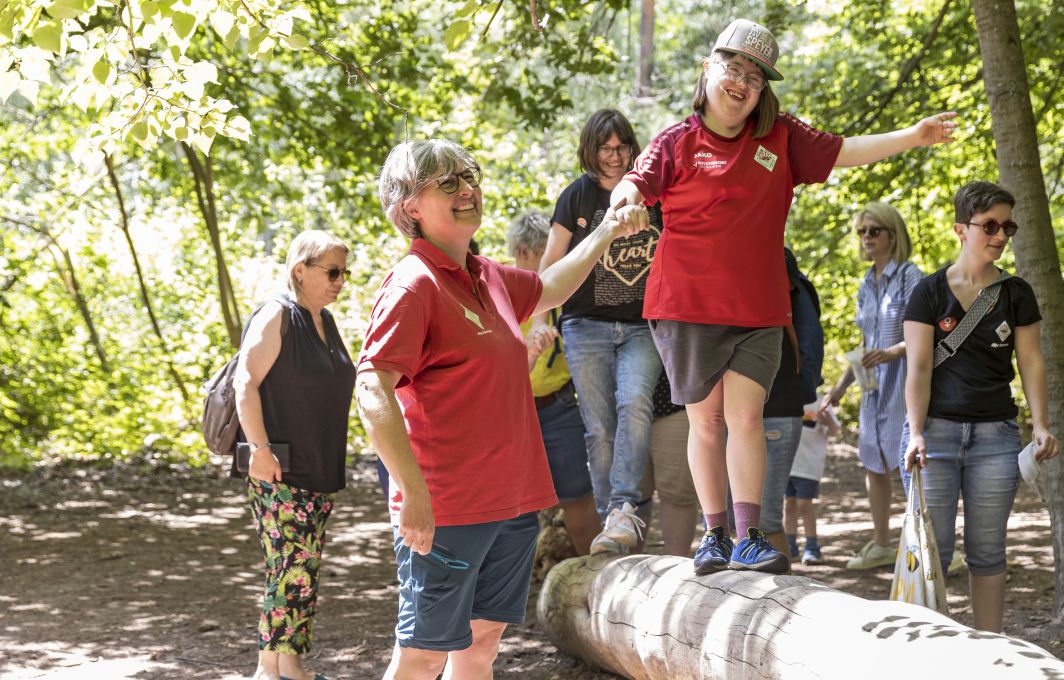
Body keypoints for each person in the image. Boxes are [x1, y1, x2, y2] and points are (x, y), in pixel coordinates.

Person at [609, 17, 958, 575]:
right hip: (686, 306)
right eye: (734, 68)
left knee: (746, 420)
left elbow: (844, 149)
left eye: (755, 76)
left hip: (758, 307)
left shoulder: (780, 138)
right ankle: (714, 534)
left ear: (762, 89)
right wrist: (623, 203)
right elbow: (635, 182)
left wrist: (912, 136)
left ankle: (749, 536)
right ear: (709, 69)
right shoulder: (676, 141)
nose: (742, 82)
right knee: (707, 422)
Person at [356, 139, 647, 680]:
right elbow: (372, 387)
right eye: (448, 182)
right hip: (450, 508)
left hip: (514, 503)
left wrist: (606, 229)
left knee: (481, 646)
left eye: (470, 176)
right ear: (410, 207)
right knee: (422, 656)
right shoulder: (413, 284)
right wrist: (413, 491)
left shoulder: (486, 275)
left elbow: (551, 287)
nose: (468, 189)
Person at [902, 180, 1058, 632]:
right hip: (936, 435)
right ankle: (925, 652)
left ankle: (987, 649)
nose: (1000, 235)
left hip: (996, 437)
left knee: (988, 551)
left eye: (1007, 226)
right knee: (934, 551)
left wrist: (1042, 424)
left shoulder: (1017, 293)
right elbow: (919, 369)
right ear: (960, 229)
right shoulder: (928, 292)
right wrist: (915, 432)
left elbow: (1030, 361)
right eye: (989, 225)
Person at [536, 108, 664, 555]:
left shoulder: (653, 197)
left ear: (633, 148)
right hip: (583, 324)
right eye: (604, 148)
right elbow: (550, 262)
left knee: (634, 402)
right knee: (598, 426)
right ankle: (612, 515)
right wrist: (539, 317)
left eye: (621, 147)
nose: (613, 156)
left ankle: (623, 507)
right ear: (590, 150)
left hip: (641, 327)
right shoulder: (577, 196)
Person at [232, 230, 356, 680]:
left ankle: (285, 667)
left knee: (300, 569)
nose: (341, 280)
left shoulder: (324, 320)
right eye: (332, 271)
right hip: (280, 466)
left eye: (345, 272)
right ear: (299, 269)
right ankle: (274, 671)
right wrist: (259, 451)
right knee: (291, 567)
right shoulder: (277, 314)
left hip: (318, 466)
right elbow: (243, 383)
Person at [819, 203, 922, 570]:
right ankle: (881, 544)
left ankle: (928, 547)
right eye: (862, 232)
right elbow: (864, 345)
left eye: (873, 231)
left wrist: (891, 352)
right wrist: (841, 386)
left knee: (909, 463)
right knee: (874, 463)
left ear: (892, 235)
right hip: (872, 386)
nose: (866, 238)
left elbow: (926, 337)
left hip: (906, 381)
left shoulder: (911, 276)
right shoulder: (866, 282)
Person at [507, 211, 601, 555]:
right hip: (514, 412)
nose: (551, 264)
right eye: (541, 256)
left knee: (578, 496)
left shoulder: (560, 296)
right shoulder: (501, 293)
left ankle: (594, 570)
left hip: (560, 407)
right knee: (514, 506)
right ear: (521, 253)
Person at [756, 248, 825, 567]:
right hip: (735, 409)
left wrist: (801, 390)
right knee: (733, 523)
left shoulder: (779, 260)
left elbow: (809, 338)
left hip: (777, 403)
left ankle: (779, 609)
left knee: (765, 520)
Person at [634, 369, 700, 556]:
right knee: (631, 497)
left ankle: (677, 569)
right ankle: (627, 570)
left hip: (676, 402)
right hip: (622, 411)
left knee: (677, 493)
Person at [785, 395, 840, 565]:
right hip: (787, 465)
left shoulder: (820, 402)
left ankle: (812, 547)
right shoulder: (785, 397)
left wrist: (827, 421)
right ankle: (790, 546)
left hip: (809, 467)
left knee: (805, 506)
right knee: (789, 506)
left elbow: (835, 430)